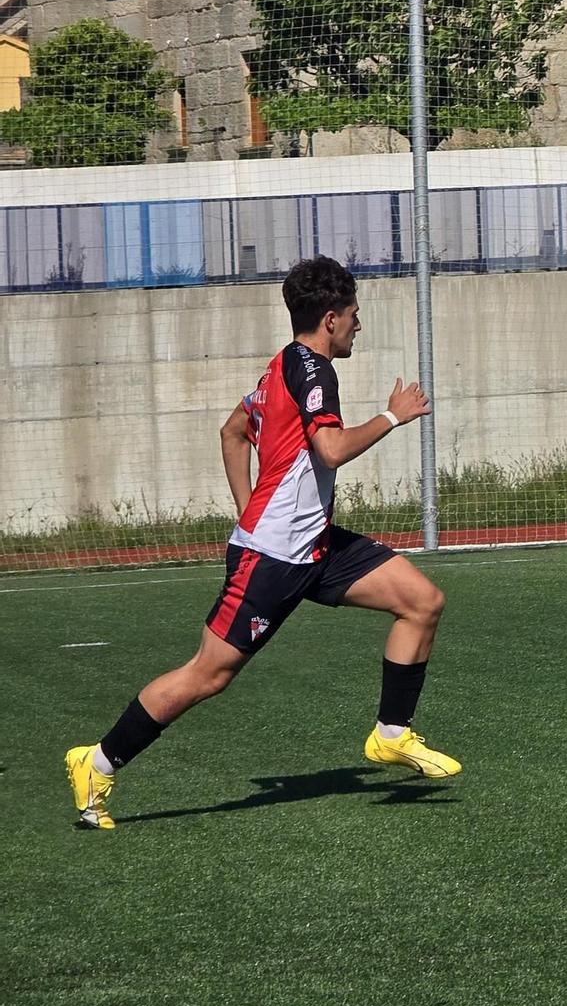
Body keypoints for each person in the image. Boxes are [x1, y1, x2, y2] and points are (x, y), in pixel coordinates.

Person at [63, 256, 461, 830]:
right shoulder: (315, 372)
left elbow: (232, 433)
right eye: (353, 315)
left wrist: (249, 506)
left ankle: (391, 735)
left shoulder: (279, 368)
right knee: (209, 674)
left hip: (315, 546)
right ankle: (96, 762)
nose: (357, 325)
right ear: (330, 319)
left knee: (421, 602)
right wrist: (392, 417)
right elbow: (329, 450)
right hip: (272, 557)